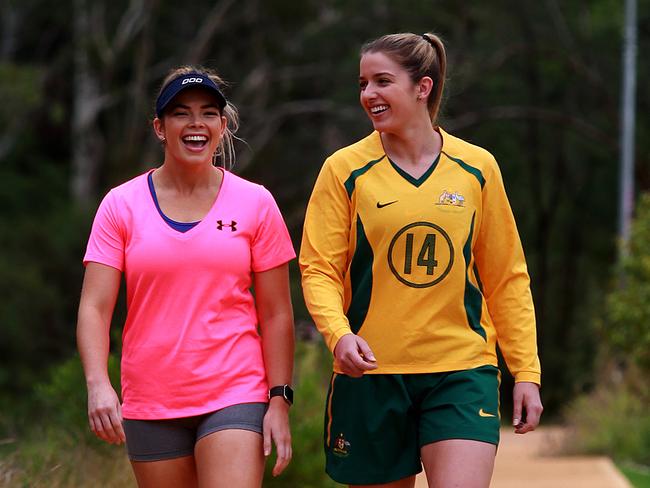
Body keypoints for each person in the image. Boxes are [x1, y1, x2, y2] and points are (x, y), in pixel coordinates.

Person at [299, 33, 543, 488]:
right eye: (363, 83)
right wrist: (339, 336)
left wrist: (525, 371)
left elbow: (506, 277)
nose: (368, 94)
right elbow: (319, 269)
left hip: (460, 370)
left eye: (382, 81)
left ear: (422, 87)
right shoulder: (343, 170)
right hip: (372, 373)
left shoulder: (477, 168)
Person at [77, 66, 296, 488]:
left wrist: (279, 400)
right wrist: (98, 384)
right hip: (151, 399)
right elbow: (94, 306)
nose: (196, 124)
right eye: (181, 113)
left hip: (235, 390)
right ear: (159, 128)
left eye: (208, 113)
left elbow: (276, 315)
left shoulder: (256, 203)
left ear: (222, 125)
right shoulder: (120, 205)